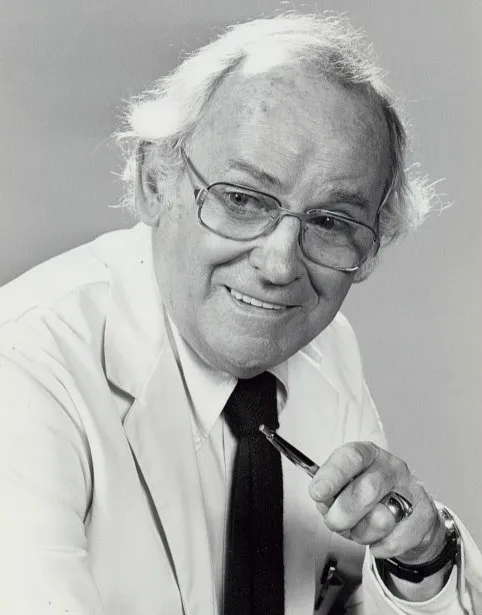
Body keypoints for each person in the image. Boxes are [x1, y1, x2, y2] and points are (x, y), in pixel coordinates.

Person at [0, 12, 481, 615]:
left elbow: (357, 595)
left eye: (331, 222)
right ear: (155, 182)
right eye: (243, 199)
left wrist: (422, 560)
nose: (280, 264)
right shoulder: (24, 365)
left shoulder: (327, 350)